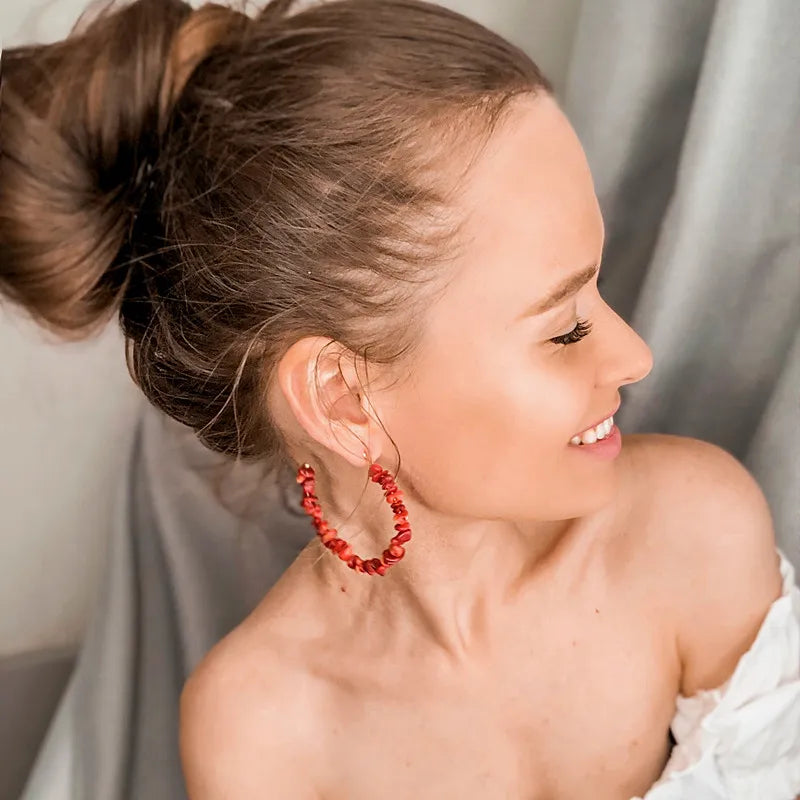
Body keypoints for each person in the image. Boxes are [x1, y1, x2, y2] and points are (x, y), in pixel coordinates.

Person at [2, 0, 798, 798]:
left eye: (600, 287)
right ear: (344, 400)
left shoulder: (694, 536)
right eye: (564, 330)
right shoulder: (261, 732)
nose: (635, 355)